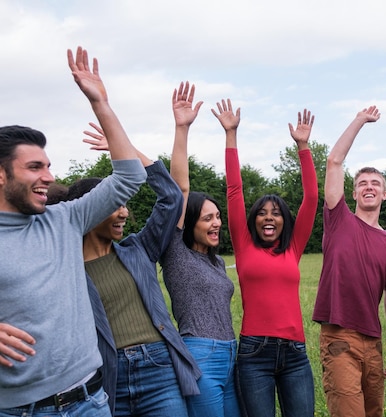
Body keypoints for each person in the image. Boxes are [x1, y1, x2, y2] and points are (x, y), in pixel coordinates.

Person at [0, 47, 147, 416]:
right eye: (34, 167)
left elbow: (131, 175)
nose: (48, 177)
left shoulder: (65, 219)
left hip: (89, 401)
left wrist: (101, 104)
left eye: (48, 166)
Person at [64, 121, 201, 416]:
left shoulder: (138, 249)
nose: (124, 212)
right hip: (108, 378)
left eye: (125, 204)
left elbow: (171, 197)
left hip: (158, 369)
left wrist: (126, 150)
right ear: (90, 209)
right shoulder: (67, 269)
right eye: (115, 205)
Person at [214, 98, 318, 417]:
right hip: (254, 353)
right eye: (261, 213)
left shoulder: (293, 248)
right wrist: (231, 134)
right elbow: (234, 190)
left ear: (285, 220)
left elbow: (311, 198)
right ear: (253, 220)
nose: (268, 218)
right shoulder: (244, 246)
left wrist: (303, 147)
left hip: (295, 353)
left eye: (276, 213)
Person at [313, 105, 386, 417]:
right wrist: (360, 121)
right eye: (362, 183)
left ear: (385, 195)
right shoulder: (340, 220)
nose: (369, 187)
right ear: (353, 193)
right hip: (339, 337)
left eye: (375, 184)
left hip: (373, 340)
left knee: (374, 412)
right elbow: (334, 161)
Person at [160, 82, 241, 417]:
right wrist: (182, 128)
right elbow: (180, 188)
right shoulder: (176, 254)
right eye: (207, 218)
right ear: (189, 221)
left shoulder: (217, 262)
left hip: (230, 354)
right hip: (200, 355)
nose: (216, 223)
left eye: (218, 216)